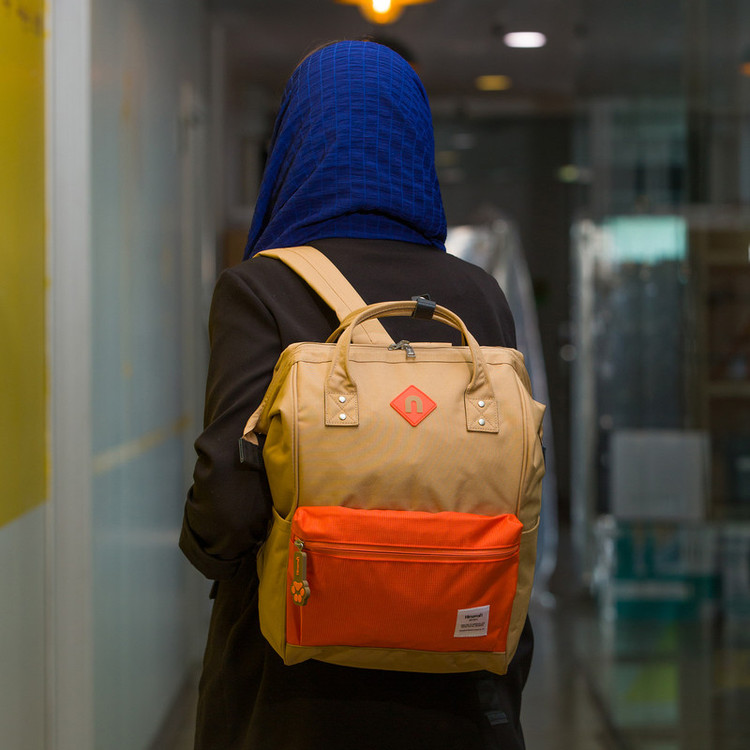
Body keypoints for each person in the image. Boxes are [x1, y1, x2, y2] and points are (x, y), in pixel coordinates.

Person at [180, 40, 533, 750]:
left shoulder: (262, 287)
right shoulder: (478, 298)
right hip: (459, 682)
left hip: (294, 688)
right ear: (413, 143)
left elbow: (229, 495)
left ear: (297, 144)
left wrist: (213, 557)